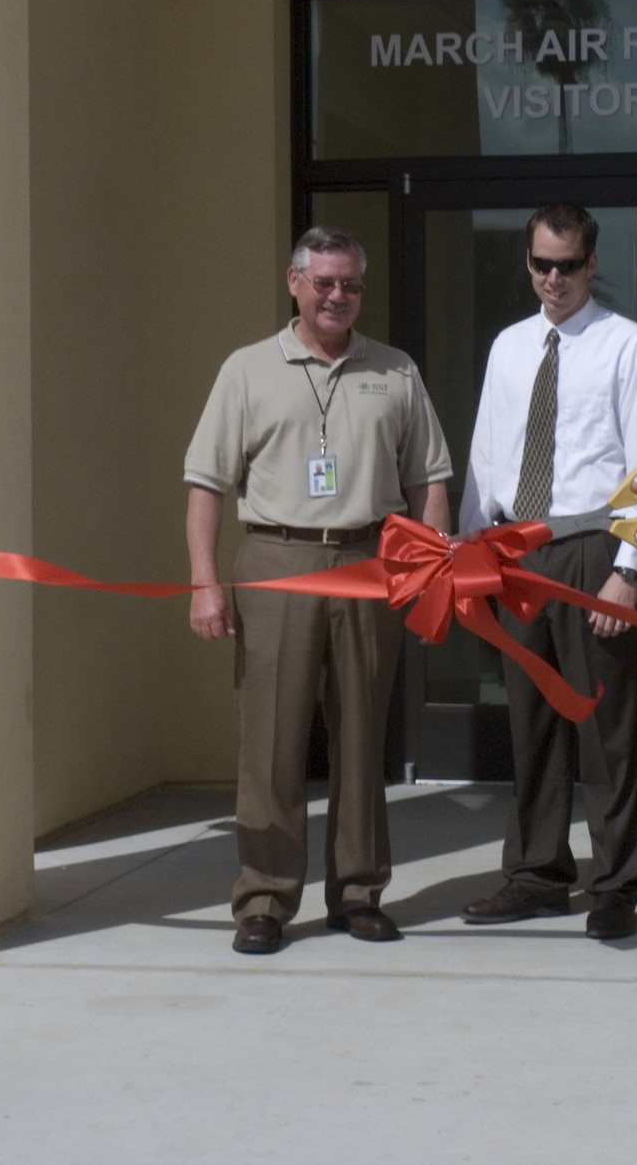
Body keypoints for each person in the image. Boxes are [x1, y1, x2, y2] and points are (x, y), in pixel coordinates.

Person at [184, 226, 452, 956]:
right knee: (271, 739)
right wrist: (206, 583)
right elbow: (206, 484)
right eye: (325, 282)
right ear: (294, 282)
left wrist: (431, 578)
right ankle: (265, 897)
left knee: (363, 734)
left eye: (352, 284)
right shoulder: (246, 370)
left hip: (370, 561)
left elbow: (430, 478)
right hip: (277, 557)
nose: (339, 296)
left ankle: (358, 891)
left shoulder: (394, 371)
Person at [456, 202, 637, 942]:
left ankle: (617, 881)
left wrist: (628, 569)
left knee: (609, 726)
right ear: (528, 262)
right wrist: (469, 552)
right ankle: (538, 873)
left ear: (591, 262)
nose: (553, 279)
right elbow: (488, 452)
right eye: (541, 264)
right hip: (517, 553)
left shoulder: (628, 346)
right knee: (533, 722)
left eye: (568, 265)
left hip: (594, 546)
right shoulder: (509, 347)